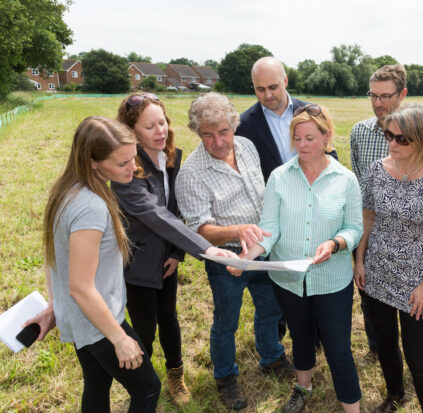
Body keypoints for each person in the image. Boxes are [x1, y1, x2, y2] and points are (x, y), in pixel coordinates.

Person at [26, 116, 162, 412]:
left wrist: (54, 306)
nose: (133, 168)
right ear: (93, 163)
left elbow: (56, 259)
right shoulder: (90, 206)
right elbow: (81, 287)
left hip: (81, 319)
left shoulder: (67, 191)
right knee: (148, 389)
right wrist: (120, 338)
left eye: (133, 158)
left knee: (97, 384)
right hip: (100, 322)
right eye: (122, 163)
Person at [111, 93, 236, 407]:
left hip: (167, 259)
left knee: (169, 318)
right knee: (144, 328)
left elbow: (177, 210)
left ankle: (175, 374)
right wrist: (207, 249)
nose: (160, 130)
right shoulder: (127, 171)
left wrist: (177, 254)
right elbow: (156, 215)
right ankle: (144, 385)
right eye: (150, 126)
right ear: (131, 131)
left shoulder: (172, 158)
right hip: (137, 265)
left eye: (162, 122)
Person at [239, 104, 363, 413]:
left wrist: (335, 244)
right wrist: (248, 256)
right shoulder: (280, 177)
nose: (303, 145)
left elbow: (354, 228)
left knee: (338, 350)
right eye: (297, 139)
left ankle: (352, 407)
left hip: (332, 281)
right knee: (301, 337)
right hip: (289, 281)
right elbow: (270, 228)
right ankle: (303, 387)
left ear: (326, 137)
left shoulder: (345, 179)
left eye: (310, 138)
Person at [175, 92, 292, 411]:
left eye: (223, 131)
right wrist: (238, 230)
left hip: (262, 248)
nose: (217, 141)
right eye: (207, 135)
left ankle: (271, 357)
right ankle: (225, 377)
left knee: (270, 309)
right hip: (226, 258)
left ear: (234, 125)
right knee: (226, 322)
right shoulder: (191, 173)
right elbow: (200, 229)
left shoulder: (248, 147)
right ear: (197, 133)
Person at [355, 103, 423, 413]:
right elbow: (368, 216)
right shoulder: (376, 170)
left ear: (421, 138)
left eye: (403, 139)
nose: (393, 143)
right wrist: (359, 261)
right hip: (377, 271)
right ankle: (395, 395)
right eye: (389, 135)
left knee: (417, 355)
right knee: (385, 343)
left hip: (416, 280)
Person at [350, 65, 423, 371]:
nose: (378, 103)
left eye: (386, 96)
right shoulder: (359, 133)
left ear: (402, 94)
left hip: (410, 242)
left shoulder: (422, 136)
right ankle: (380, 349)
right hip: (372, 234)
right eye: (373, 96)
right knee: (371, 300)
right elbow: (361, 186)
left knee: (416, 315)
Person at [235, 56, 334, 343]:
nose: (268, 95)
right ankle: (276, 337)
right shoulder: (244, 124)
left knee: (310, 272)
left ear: (286, 81)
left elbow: (330, 152)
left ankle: (314, 336)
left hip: (314, 210)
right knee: (276, 277)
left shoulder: (311, 112)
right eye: (260, 89)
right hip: (275, 211)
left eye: (273, 87)